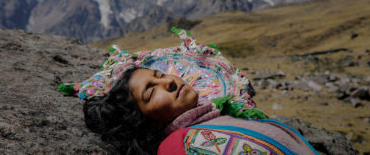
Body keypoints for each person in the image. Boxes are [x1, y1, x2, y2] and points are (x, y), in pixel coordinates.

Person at [83, 66, 317, 155]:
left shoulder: (220, 118)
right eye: (151, 92)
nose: (168, 82)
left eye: (161, 74)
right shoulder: (176, 146)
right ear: (145, 121)